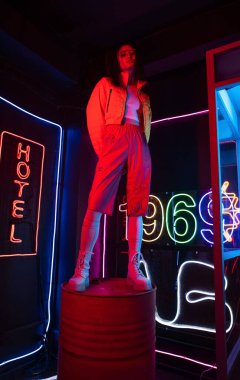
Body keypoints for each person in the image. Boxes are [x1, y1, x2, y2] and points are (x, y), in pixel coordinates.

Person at [68, 43, 152, 292]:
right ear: (116, 59)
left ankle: (133, 268)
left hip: (138, 138)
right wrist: (103, 146)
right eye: (123, 53)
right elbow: (93, 114)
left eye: (132, 53)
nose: (128, 56)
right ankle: (81, 269)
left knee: (137, 204)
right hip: (113, 136)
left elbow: (145, 124)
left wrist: (143, 146)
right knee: (96, 200)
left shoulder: (143, 91)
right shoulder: (106, 84)